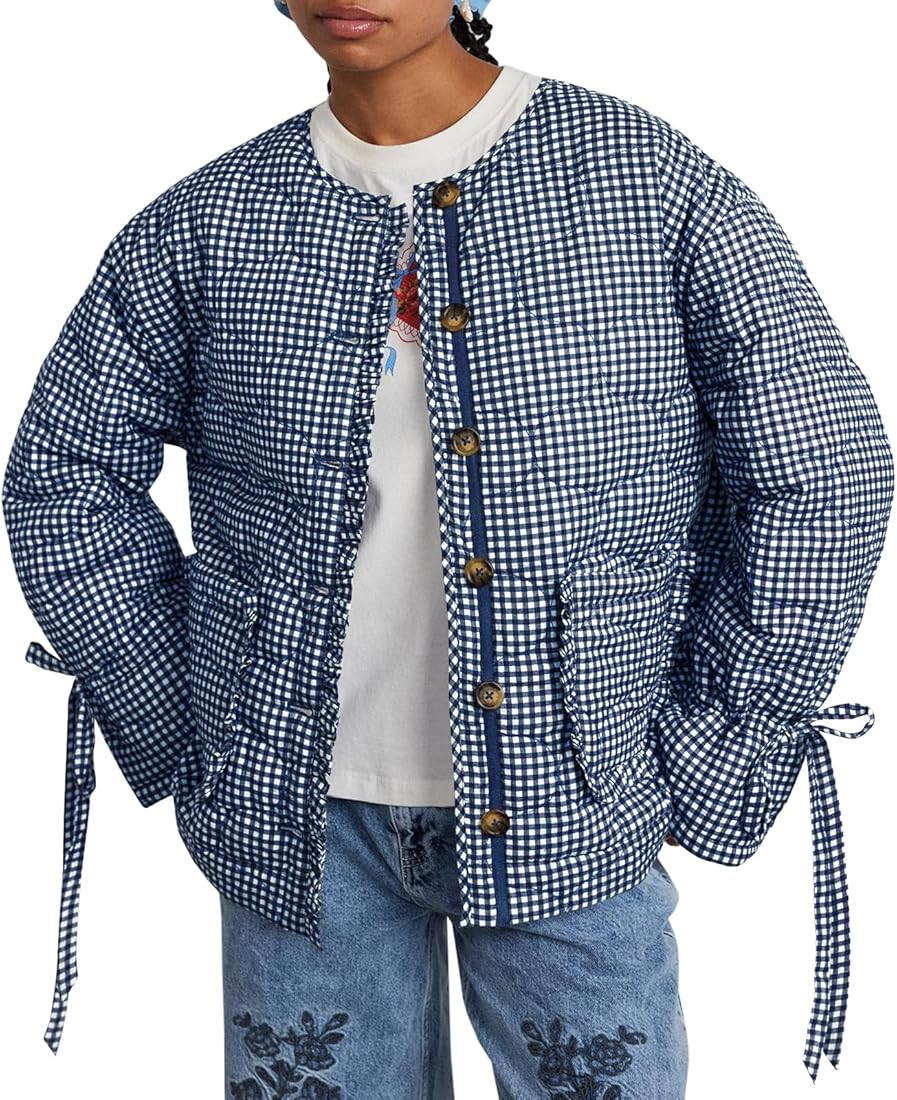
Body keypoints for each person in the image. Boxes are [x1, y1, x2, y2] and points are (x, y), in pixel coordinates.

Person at [2, 1, 892, 1096]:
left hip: (575, 799)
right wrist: (184, 722)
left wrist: (715, 744)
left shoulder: (644, 183)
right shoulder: (209, 221)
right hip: (295, 821)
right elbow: (64, 477)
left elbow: (824, 468)